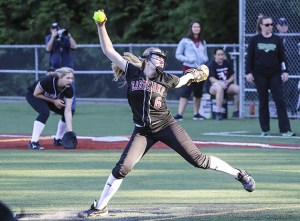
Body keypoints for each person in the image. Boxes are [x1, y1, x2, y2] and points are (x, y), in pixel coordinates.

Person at [77, 11, 256, 218]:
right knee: (122, 168)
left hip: (166, 126)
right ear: (147, 58)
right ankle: (100, 207)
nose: (162, 60)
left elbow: (181, 81)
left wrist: (195, 74)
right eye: (158, 57)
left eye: (163, 58)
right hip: (142, 131)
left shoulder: (166, 78)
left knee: (198, 160)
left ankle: (239, 174)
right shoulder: (131, 70)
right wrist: (101, 26)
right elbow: (108, 50)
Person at [245, 15, 295, 137]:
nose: (270, 27)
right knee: (263, 101)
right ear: (261, 25)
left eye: (271, 24)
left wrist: (286, 71)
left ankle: (285, 129)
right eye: (267, 25)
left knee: (280, 100)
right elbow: (249, 58)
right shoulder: (254, 40)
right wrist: (248, 72)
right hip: (259, 74)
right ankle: (265, 129)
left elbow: (283, 57)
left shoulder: (277, 40)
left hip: (275, 74)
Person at [26, 67, 75, 150]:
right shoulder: (48, 80)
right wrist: (53, 101)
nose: (70, 80)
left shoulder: (69, 89)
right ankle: (33, 142)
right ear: (60, 77)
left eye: (71, 78)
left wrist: (70, 131)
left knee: (68, 111)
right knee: (45, 112)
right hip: (34, 96)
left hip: (51, 99)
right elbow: (36, 94)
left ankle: (58, 139)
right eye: (68, 78)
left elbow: (68, 110)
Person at [174, 20, 208, 121]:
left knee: (198, 92)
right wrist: (188, 60)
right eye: (194, 27)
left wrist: (204, 60)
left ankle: (196, 113)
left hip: (200, 71)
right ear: (191, 28)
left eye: (198, 27)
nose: (196, 28)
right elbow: (178, 54)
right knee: (185, 92)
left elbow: (205, 55)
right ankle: (180, 114)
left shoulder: (202, 41)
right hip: (188, 69)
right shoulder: (185, 40)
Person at [46, 22, 77, 112]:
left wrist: (69, 36)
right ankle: (55, 108)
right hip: (55, 68)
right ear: (51, 30)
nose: (56, 31)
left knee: (70, 86)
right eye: (54, 29)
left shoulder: (65, 38)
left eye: (57, 29)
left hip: (67, 68)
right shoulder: (49, 37)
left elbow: (74, 46)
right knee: (53, 87)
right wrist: (53, 36)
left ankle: (71, 108)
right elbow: (48, 49)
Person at [207, 48, 239, 120]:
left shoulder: (226, 63)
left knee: (238, 89)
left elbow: (232, 76)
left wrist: (227, 81)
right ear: (215, 55)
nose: (221, 57)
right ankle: (218, 113)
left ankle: (236, 111)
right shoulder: (211, 64)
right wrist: (220, 83)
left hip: (226, 85)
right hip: (213, 86)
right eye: (218, 55)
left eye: (222, 54)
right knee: (219, 88)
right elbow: (211, 78)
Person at [276, 17, 299, 117]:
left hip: (294, 68)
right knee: (282, 89)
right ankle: (282, 109)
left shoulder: (292, 38)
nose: (284, 27)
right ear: (277, 26)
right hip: (280, 68)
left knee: (293, 88)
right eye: (281, 25)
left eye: (285, 24)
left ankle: (293, 110)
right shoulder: (275, 39)